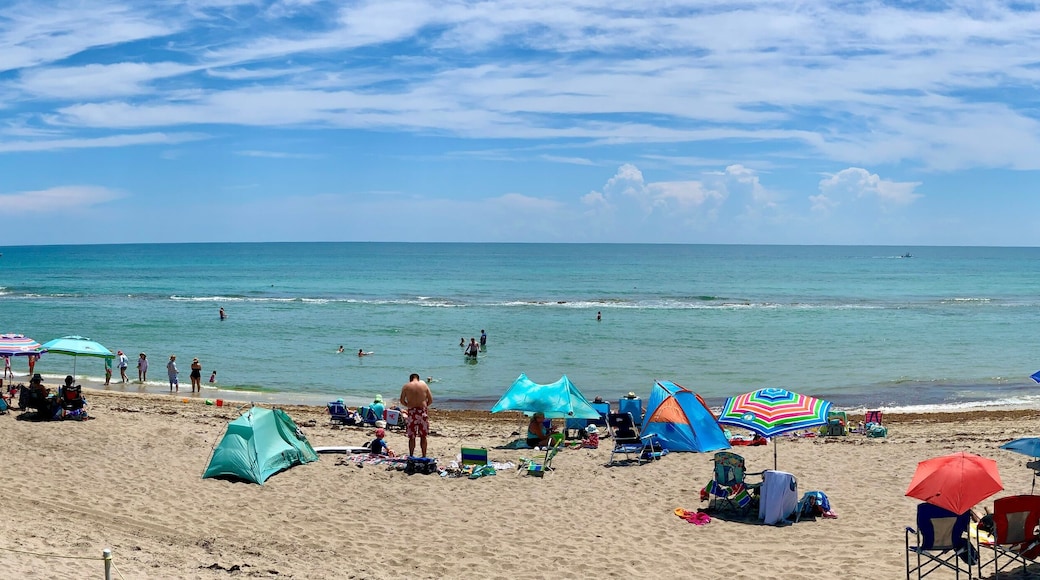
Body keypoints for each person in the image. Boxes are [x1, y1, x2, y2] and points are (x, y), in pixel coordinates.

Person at [399, 373, 433, 457]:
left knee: (412, 436)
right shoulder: (424, 385)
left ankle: (411, 454)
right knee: (423, 436)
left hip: (412, 412)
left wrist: (409, 406)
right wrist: (424, 406)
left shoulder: (406, 386)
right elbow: (431, 399)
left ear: (410, 379)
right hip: (422, 412)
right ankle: (424, 455)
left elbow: (402, 400)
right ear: (418, 378)